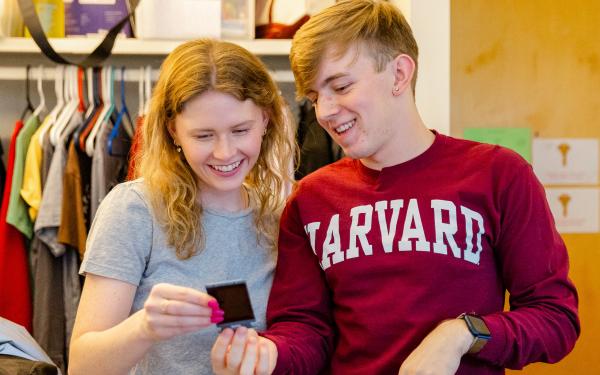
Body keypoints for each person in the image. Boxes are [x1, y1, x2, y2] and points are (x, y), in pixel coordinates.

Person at [210, 1, 580, 374]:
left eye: (340, 86)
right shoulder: (309, 199)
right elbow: (306, 330)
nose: (325, 111)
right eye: (314, 96)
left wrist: (461, 334)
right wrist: (269, 356)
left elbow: (555, 317)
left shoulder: (500, 175)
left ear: (400, 74)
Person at [68, 38, 296, 375]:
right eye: (204, 136)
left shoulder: (280, 215)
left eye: (240, 130)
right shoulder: (134, 211)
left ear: (265, 119)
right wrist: (144, 327)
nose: (225, 152)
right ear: (174, 130)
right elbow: (82, 367)